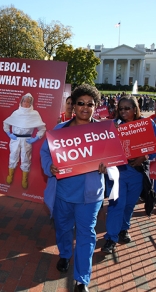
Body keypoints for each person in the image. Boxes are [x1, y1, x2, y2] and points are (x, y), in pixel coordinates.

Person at [40, 84, 108, 292]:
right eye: (81, 103)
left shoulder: (103, 131)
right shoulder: (59, 131)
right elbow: (45, 154)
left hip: (90, 195)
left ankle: (82, 280)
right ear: (73, 105)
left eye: (90, 104)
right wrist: (50, 167)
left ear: (95, 107)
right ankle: (65, 254)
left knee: (87, 235)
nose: (85, 108)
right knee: (62, 228)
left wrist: (107, 166)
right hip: (64, 193)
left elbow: (112, 157)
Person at [101, 95, 156, 254]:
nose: (123, 111)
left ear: (135, 109)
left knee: (129, 204)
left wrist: (145, 156)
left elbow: (153, 146)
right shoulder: (113, 125)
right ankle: (111, 238)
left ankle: (123, 229)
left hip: (137, 173)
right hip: (117, 172)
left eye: (127, 108)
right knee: (116, 204)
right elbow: (103, 145)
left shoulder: (147, 124)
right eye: (121, 108)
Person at [3, 93, 46, 189]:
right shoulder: (16, 113)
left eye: (28, 101)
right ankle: (10, 175)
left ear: (31, 103)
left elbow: (42, 128)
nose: (26, 103)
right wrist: (9, 134)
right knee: (13, 155)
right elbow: (6, 123)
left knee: (26, 158)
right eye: (24, 101)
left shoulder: (34, 114)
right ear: (21, 102)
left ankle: (24, 179)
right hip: (15, 139)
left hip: (27, 139)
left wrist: (36, 138)